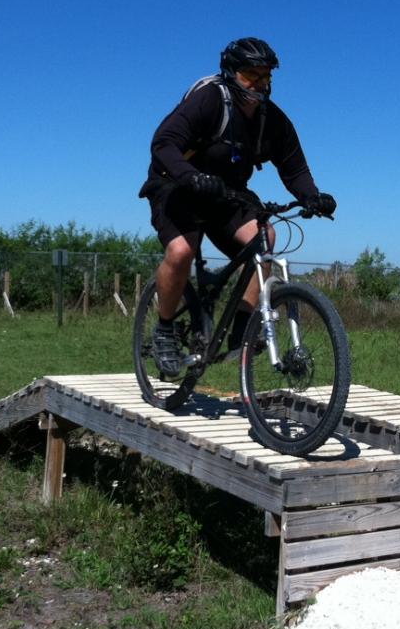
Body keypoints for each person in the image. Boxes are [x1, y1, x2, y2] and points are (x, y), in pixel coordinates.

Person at [138, 37, 337, 375]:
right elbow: (164, 142)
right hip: (176, 185)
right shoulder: (210, 100)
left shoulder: (271, 120)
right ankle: (165, 331)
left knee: (265, 237)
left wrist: (312, 196)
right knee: (182, 251)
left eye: (265, 77)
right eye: (251, 76)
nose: (259, 85)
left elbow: (294, 167)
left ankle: (242, 328)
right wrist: (189, 175)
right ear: (231, 74)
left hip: (227, 193)